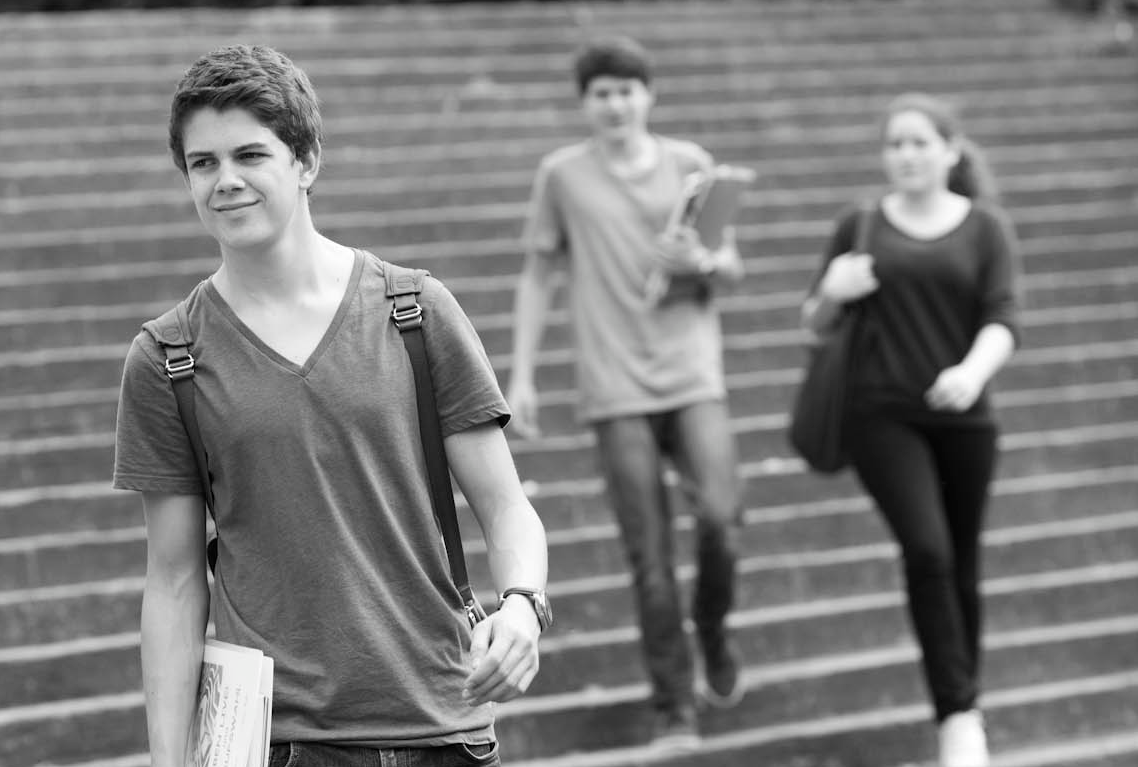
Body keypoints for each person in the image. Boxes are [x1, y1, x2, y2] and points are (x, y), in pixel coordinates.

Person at [113, 44, 551, 767]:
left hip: (446, 727)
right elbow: (175, 579)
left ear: (306, 161)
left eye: (251, 155)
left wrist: (523, 604)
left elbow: (507, 509)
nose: (226, 180)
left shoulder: (415, 312)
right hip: (285, 741)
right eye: (203, 163)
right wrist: (170, 759)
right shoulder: (168, 357)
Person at [507, 36, 746, 748]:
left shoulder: (691, 165)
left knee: (722, 520)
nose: (615, 105)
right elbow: (538, 275)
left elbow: (730, 267)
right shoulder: (563, 175)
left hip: (692, 374)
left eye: (626, 90)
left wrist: (701, 259)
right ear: (585, 103)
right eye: (601, 93)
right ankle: (675, 705)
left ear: (649, 95)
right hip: (615, 386)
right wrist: (521, 374)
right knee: (650, 557)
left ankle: (713, 628)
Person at [800, 93, 1022, 767]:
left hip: (965, 416)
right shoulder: (860, 224)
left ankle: (964, 704)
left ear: (951, 150)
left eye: (920, 142)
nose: (906, 154)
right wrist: (833, 291)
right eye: (895, 143)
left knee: (961, 563)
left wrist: (973, 371)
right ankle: (957, 715)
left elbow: (1003, 317)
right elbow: (813, 324)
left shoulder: (985, 227)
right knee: (927, 551)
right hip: (881, 414)